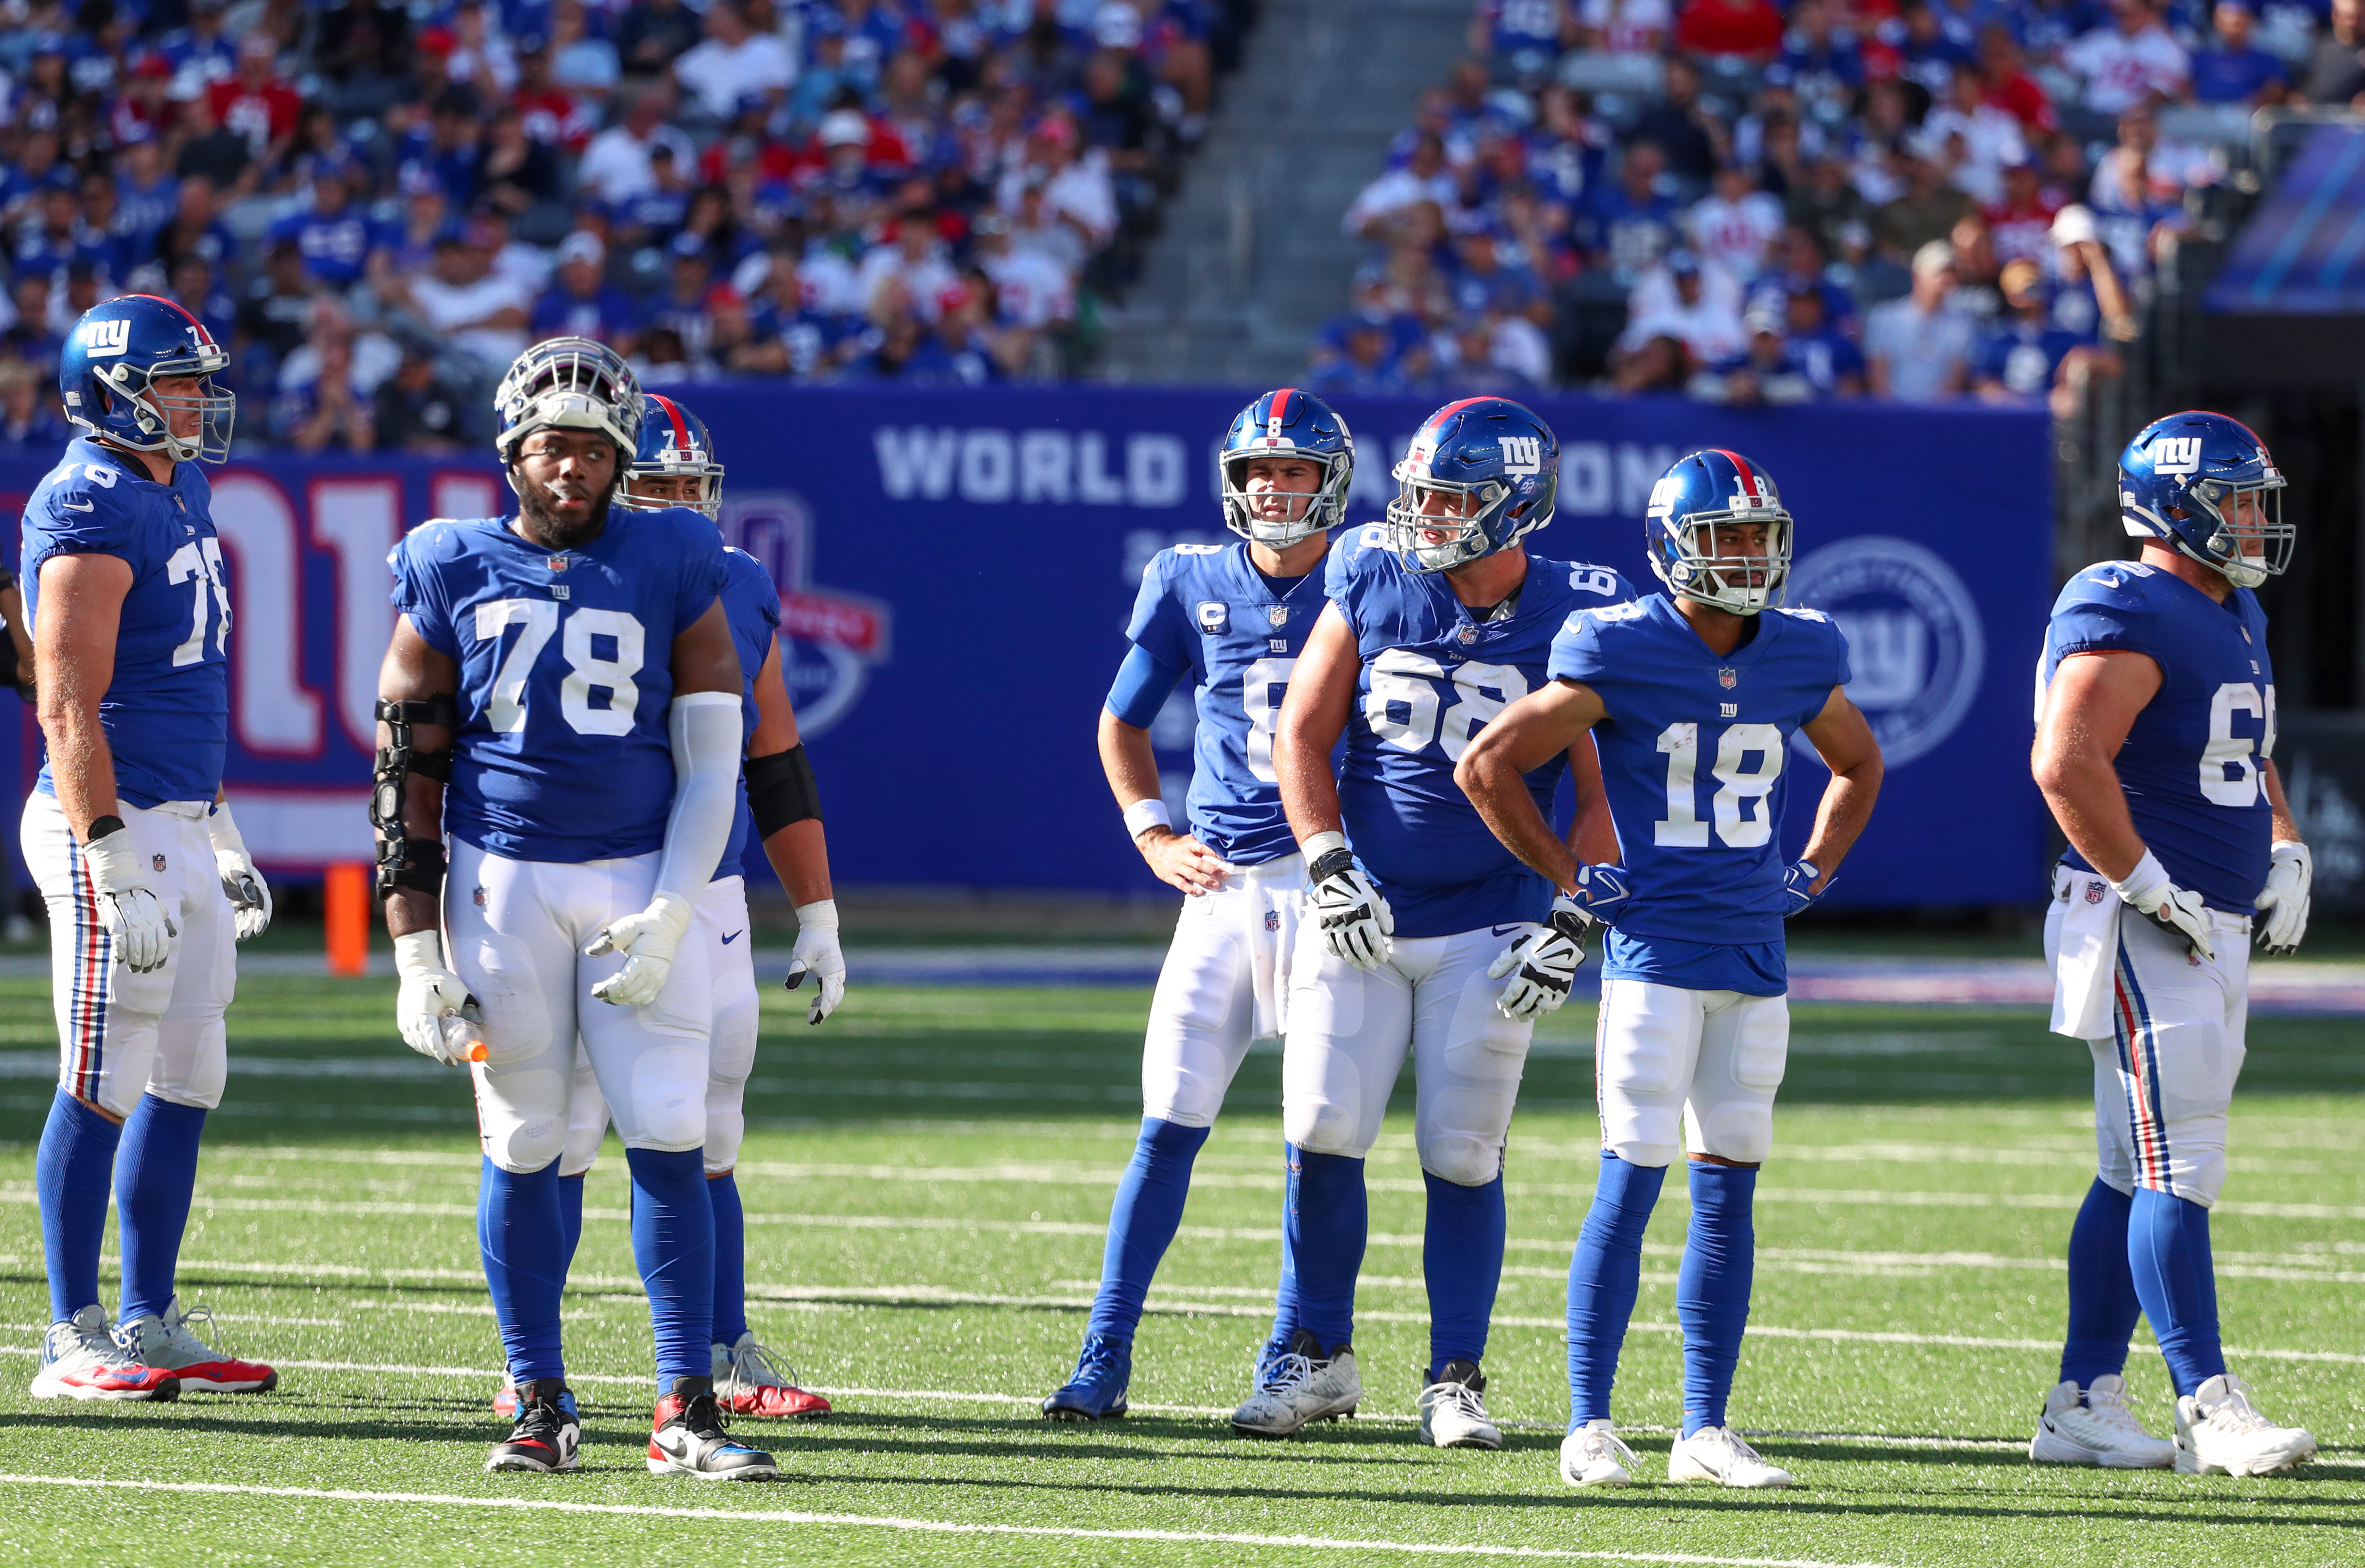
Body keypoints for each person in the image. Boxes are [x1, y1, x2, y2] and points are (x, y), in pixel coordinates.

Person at [373, 337, 773, 1479]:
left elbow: (714, 761)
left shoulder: (678, 553)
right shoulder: (449, 561)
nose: (572, 468)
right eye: (552, 446)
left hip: (638, 872)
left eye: (593, 449)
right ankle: (537, 1396)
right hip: (504, 882)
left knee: (667, 1127)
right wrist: (412, 948)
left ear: (622, 456)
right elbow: (406, 772)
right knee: (526, 1139)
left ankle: (684, 1403)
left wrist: (673, 906)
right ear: (514, 454)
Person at [1455, 447, 1882, 1490]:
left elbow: (1860, 762)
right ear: (1672, 547)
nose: (1746, 554)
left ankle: (1705, 1425)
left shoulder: (1799, 647)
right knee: (1630, 1179)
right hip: (1652, 953)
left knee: (1729, 1188)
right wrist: (1571, 875)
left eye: (1756, 535)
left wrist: (1813, 870)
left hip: (1755, 949)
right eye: (1724, 536)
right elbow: (1487, 763)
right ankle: (1589, 1422)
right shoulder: (1621, 643)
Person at [1240, 397, 1632, 1449]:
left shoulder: (1581, 614)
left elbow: (1604, 790)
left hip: (1492, 922)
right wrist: (1325, 857)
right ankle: (1313, 1355)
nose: (1428, 515)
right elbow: (1302, 734)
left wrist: (1574, 913)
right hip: (1363, 904)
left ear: (1519, 506)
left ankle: (1455, 1374)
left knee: (1462, 1149)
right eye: (1423, 492)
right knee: (1321, 1126)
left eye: (1456, 498)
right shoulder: (1372, 569)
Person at [492, 392, 844, 1424]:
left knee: (702, 1118)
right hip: (573, 878)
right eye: (660, 488)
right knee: (551, 1128)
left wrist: (815, 908)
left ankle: (719, 1351)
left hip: (709, 893)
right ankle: (533, 1367)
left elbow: (772, 756)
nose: (684, 506)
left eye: (696, 488)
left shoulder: (728, 580)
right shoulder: (554, 578)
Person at [1040, 389, 1356, 1422]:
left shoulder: (1373, 576)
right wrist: (1152, 829)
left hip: (1331, 884)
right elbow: (1118, 721)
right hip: (1222, 885)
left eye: (1295, 469)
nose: (1274, 486)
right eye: (1259, 468)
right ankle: (1105, 1349)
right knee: (1168, 1119)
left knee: (1317, 1133)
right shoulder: (1187, 578)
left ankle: (1298, 1350)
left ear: (1331, 481)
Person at [2028, 412, 2318, 1477]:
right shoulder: (2125, 600)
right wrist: (2147, 881)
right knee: (2178, 1159)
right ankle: (2208, 1402)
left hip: (2206, 916)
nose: (2254, 519)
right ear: (2181, 506)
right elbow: (2065, 761)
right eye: (2238, 498)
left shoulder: (2230, 604)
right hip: (2146, 918)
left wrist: (2284, 842)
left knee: (2128, 1166)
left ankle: (2080, 1400)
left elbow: (2245, 748)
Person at [25, 293, 278, 1402]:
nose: (196, 400)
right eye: (177, 382)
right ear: (113, 389)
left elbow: (190, 688)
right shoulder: (85, 499)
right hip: (107, 821)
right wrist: (111, 851)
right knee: (106, 1066)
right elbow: (67, 701)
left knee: (192, 1068)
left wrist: (217, 827)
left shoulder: (178, 482)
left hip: (178, 817)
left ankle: (150, 1313)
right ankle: (69, 1331)